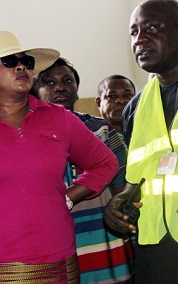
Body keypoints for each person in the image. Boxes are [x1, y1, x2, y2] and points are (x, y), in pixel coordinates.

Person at [0, 30, 119, 283]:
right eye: (9, 62)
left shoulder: (59, 118)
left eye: (25, 62)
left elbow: (105, 163)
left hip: (57, 265)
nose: (20, 67)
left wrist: (69, 197)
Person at [104, 1, 178, 283]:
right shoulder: (135, 107)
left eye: (151, 28)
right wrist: (121, 202)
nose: (140, 39)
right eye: (134, 32)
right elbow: (136, 181)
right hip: (154, 252)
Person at [33, 57, 134, 284]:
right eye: (49, 83)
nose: (60, 87)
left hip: (108, 249)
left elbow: (125, 190)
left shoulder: (100, 130)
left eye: (67, 80)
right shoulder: (26, 137)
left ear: (77, 91)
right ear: (35, 91)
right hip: (56, 252)